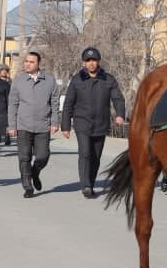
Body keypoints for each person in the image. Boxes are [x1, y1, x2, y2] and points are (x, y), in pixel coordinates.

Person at [61, 46, 126, 198]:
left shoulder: (108, 79)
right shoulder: (77, 80)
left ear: (99, 62)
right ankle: (86, 186)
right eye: (88, 60)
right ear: (84, 63)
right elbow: (69, 103)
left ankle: (90, 180)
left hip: (101, 123)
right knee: (85, 153)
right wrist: (65, 126)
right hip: (82, 123)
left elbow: (118, 98)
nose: (91, 63)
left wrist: (120, 114)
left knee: (96, 156)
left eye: (94, 60)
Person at [7, 51, 59, 198]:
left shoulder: (49, 80)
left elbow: (54, 102)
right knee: (24, 157)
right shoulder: (19, 80)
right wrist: (11, 126)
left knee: (43, 156)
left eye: (31, 62)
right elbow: (13, 104)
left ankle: (35, 172)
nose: (27, 64)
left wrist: (55, 122)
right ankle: (27, 186)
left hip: (43, 125)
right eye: (26, 61)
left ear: (38, 64)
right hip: (23, 125)